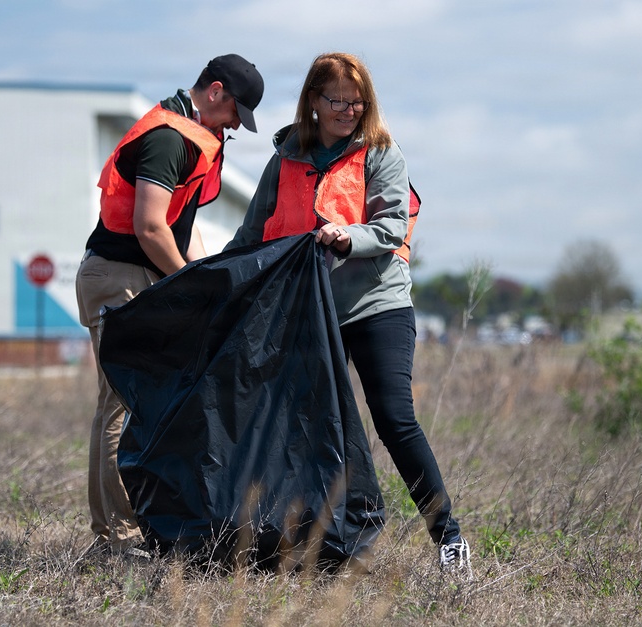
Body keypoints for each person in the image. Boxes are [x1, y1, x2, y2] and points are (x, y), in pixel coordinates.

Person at [224, 52, 471, 574]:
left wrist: (345, 236)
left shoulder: (381, 152)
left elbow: (390, 228)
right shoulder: (286, 157)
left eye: (355, 102)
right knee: (305, 428)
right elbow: (251, 234)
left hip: (377, 303)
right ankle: (320, 544)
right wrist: (216, 278)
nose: (346, 110)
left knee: (394, 418)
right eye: (335, 100)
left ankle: (448, 536)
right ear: (313, 101)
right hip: (310, 313)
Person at [76, 53, 264, 558]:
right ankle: (116, 539)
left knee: (133, 402)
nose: (233, 128)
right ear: (216, 91)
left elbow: (181, 224)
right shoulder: (168, 138)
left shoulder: (187, 134)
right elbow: (150, 226)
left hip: (138, 276)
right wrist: (185, 281)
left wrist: (205, 282)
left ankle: (129, 527)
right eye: (234, 115)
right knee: (123, 403)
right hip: (119, 278)